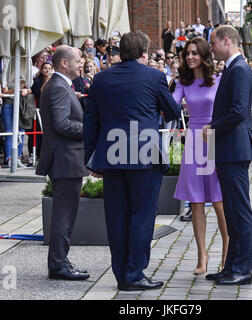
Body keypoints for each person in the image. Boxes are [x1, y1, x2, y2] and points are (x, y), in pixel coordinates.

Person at [83, 31, 181, 291]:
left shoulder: (101, 79)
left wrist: (91, 159)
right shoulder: (154, 76)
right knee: (142, 215)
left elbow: (90, 121)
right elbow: (172, 110)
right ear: (144, 53)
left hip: (111, 156)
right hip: (144, 154)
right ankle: (135, 272)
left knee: (117, 216)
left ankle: (121, 274)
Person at [203, 25, 252, 286]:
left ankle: (242, 269)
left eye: (213, 43)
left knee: (240, 211)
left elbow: (238, 112)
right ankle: (232, 266)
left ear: (227, 40)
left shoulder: (239, 69)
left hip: (234, 149)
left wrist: (211, 128)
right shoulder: (232, 69)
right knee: (234, 211)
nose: (211, 48)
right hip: (228, 148)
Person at [171, 38, 229, 275]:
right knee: (196, 201)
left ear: (204, 55)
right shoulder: (182, 82)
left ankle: (227, 250)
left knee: (218, 201)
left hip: (214, 138)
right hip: (194, 140)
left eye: (195, 53)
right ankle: (202, 255)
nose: (190, 57)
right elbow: (173, 104)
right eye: (187, 53)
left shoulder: (219, 80)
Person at [36, 45, 90, 281]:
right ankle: (58, 264)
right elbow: (62, 124)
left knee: (65, 214)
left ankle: (60, 260)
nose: (82, 63)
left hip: (66, 159)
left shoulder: (60, 86)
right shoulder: (58, 87)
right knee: (64, 215)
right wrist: (90, 130)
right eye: (78, 59)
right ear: (64, 63)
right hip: (65, 160)